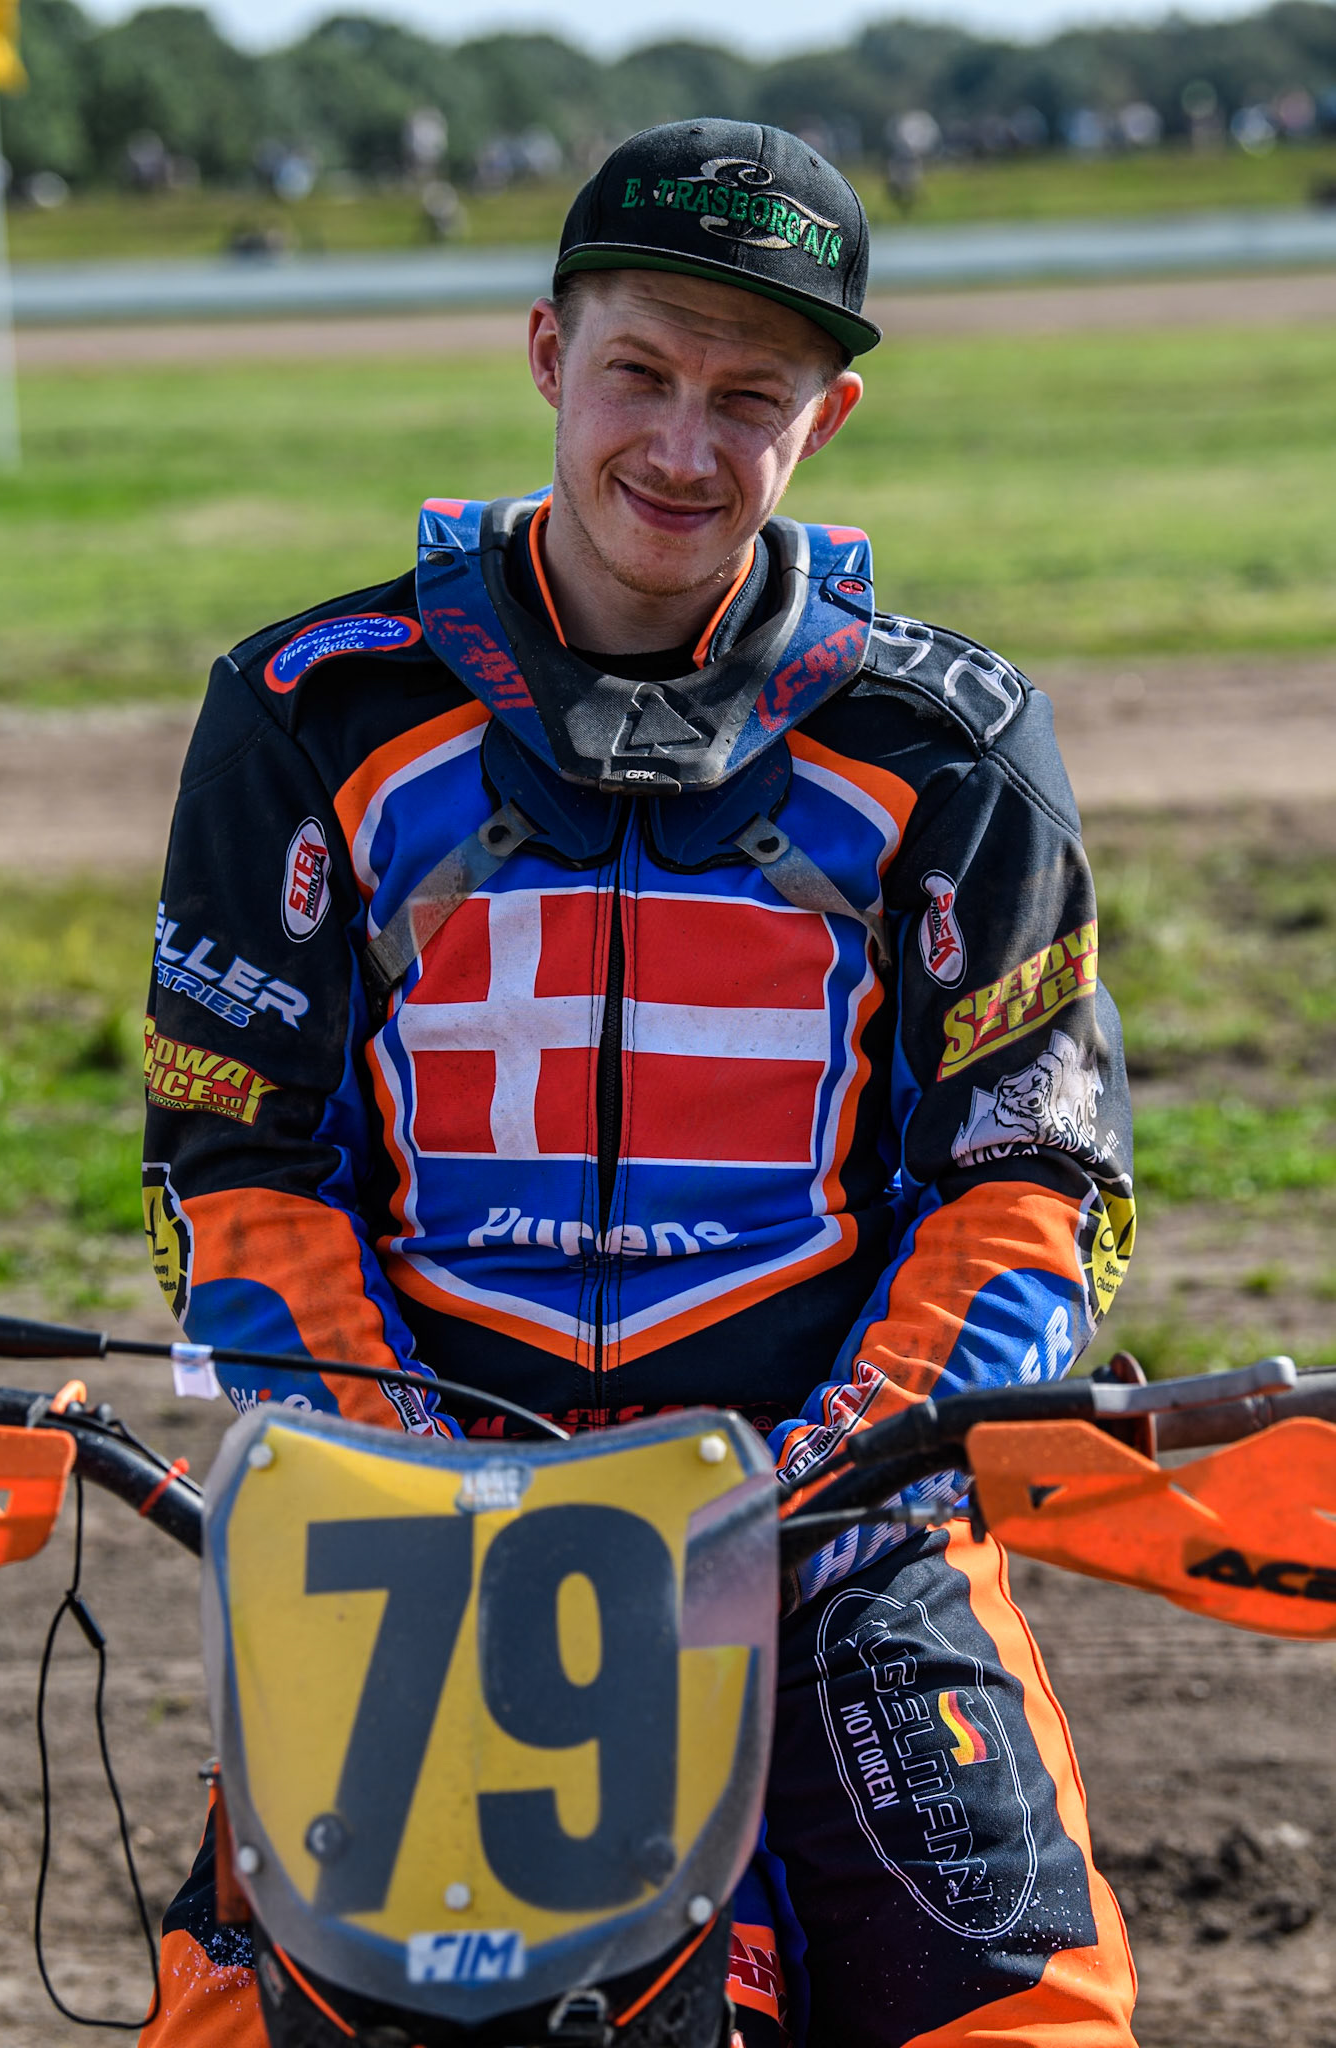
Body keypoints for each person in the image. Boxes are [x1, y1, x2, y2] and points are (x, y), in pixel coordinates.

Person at [139, 119, 1138, 2048]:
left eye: (746, 398)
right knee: (248, 2026)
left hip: (833, 1524)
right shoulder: (303, 712)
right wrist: (408, 1470)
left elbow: (1032, 1182)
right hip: (420, 1520)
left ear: (822, 423)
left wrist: (811, 1487)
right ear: (543, 355)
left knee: (1023, 2022)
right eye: (639, 376)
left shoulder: (952, 742)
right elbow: (238, 1167)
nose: (682, 449)